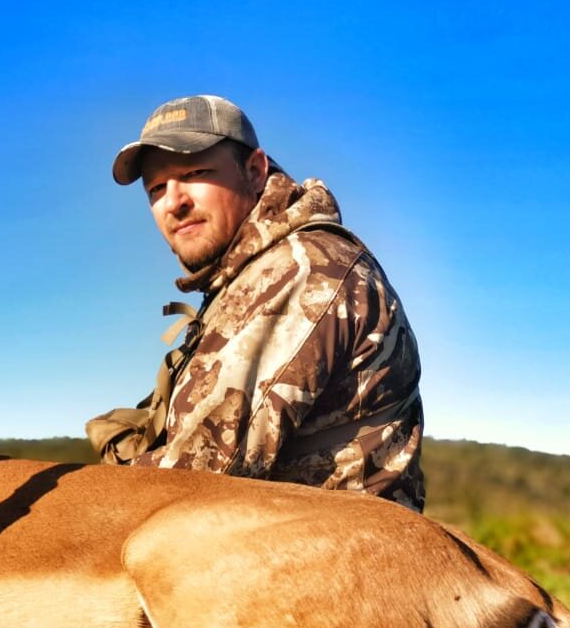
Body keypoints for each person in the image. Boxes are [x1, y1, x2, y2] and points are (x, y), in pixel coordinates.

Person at [86, 94, 425, 511]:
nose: (174, 202)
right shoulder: (246, 277)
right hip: (281, 543)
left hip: (328, 559)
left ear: (255, 170)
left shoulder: (302, 268)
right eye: (156, 188)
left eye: (195, 172)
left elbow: (192, 482)